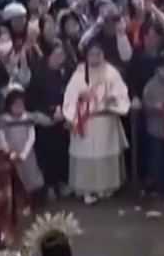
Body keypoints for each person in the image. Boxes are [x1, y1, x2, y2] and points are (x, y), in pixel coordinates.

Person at [62, 37, 129, 203]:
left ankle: (106, 188)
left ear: (103, 54)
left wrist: (112, 98)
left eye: (98, 54)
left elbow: (121, 92)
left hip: (106, 121)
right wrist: (81, 99)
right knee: (86, 156)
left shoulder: (111, 72)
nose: (95, 57)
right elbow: (70, 95)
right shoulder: (80, 73)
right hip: (85, 121)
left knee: (105, 154)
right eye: (91, 54)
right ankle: (86, 190)